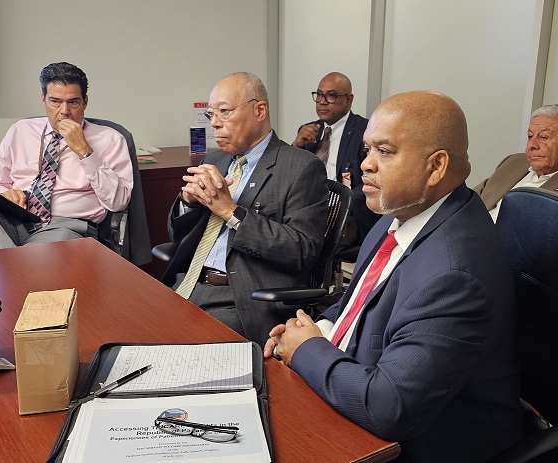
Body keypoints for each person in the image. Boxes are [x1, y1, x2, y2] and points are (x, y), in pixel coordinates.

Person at [264, 91, 523, 462]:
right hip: (357, 385)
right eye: (368, 149)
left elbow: (389, 407)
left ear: (436, 167)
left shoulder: (455, 274)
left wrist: (306, 350)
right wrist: (315, 327)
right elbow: (355, 301)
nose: (366, 164)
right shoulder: (398, 214)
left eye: (384, 151)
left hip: (421, 445)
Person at [162, 72, 328, 345]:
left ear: (259, 110)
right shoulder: (216, 159)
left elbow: (302, 250)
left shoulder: (301, 167)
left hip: (239, 297)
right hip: (188, 281)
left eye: (224, 112)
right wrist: (187, 202)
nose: (215, 123)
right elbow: (176, 235)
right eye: (211, 114)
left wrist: (232, 213)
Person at [0, 62, 133, 251]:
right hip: (14, 218)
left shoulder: (110, 139)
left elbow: (118, 202)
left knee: (37, 256)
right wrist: (6, 194)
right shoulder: (21, 130)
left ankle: (9, 267)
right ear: (43, 100)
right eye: (55, 102)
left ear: (85, 102)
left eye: (73, 102)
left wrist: (84, 151)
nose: (64, 111)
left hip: (65, 226)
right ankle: (16, 267)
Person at [292, 72, 379, 245]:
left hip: (349, 213)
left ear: (348, 100)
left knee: (308, 235)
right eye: (319, 95)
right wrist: (297, 146)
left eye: (331, 95)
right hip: (309, 208)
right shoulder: (308, 131)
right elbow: (290, 176)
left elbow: (373, 180)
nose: (322, 101)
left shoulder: (366, 131)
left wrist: (340, 203)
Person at [474, 104, 558, 221]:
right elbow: (468, 202)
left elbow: (546, 242)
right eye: (530, 136)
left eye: (543, 137)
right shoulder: (513, 161)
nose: (531, 145)